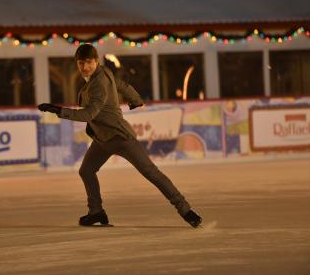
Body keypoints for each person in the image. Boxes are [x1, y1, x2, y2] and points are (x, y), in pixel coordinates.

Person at [38, 44, 202, 228]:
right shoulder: (101, 73)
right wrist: (136, 99)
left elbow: (88, 114)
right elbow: (121, 84)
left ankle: (186, 210)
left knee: (151, 173)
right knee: (86, 170)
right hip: (103, 139)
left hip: (121, 138)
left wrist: (59, 110)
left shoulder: (99, 83)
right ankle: (96, 212)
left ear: (96, 61)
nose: (85, 67)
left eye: (89, 62)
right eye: (81, 63)